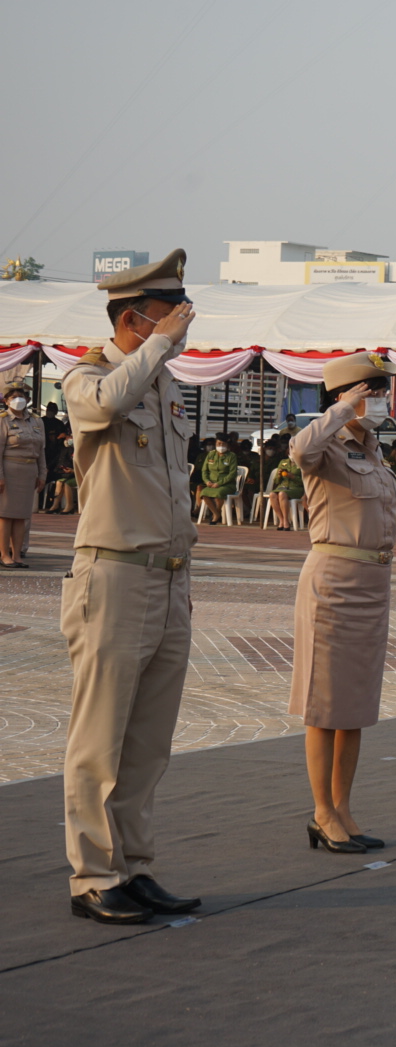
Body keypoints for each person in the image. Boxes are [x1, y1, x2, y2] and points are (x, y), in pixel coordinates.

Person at [59, 249, 201, 924]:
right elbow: (106, 404)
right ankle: (92, 875)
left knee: (148, 740)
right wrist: (159, 349)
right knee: (100, 738)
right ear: (134, 318)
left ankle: (134, 866)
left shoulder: (166, 386)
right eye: (170, 314)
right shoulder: (88, 377)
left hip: (169, 578)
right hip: (113, 574)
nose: (182, 324)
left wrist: (161, 353)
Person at [290, 353, 396, 854]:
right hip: (333, 583)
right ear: (346, 394)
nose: (379, 398)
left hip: (373, 581)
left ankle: (344, 807)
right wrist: (341, 411)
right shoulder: (326, 444)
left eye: (381, 390)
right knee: (324, 704)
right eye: (370, 390)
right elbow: (298, 450)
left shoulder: (375, 451)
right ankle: (321, 812)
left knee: (354, 704)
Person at [0, 384, 47, 568]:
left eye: (21, 396)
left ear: (28, 400)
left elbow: (41, 450)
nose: (17, 400)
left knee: (22, 516)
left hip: (29, 472)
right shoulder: (3, 420)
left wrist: (42, 474)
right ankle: (4, 554)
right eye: (13, 397)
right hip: (10, 469)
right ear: (6, 401)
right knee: (5, 515)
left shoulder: (36, 421)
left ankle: (17, 554)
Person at [197, 436, 238, 524]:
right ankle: (216, 513)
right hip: (211, 483)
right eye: (218, 444)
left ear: (227, 445)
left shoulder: (231, 456)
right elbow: (204, 470)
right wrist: (207, 481)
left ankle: (216, 515)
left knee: (219, 493)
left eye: (223, 444)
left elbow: (232, 474)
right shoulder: (211, 454)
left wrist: (219, 483)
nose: (221, 446)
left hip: (227, 485)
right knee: (204, 493)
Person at [268, 449, 303, 531]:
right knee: (272, 495)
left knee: (282, 494)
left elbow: (304, 481)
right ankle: (281, 519)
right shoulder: (283, 462)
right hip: (283, 486)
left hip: (296, 488)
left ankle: (286, 521)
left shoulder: (302, 463)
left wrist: (292, 477)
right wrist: (279, 475)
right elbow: (276, 480)